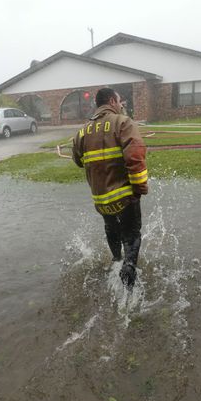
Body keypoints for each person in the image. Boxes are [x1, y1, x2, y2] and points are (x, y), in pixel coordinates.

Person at [72, 88, 148, 289]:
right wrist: (139, 188)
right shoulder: (123, 123)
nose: (122, 105)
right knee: (132, 234)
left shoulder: (82, 132)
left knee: (111, 228)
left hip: (101, 199)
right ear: (113, 101)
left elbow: (78, 161)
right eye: (120, 101)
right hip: (124, 196)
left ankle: (116, 261)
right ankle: (129, 271)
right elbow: (135, 156)